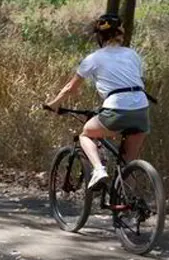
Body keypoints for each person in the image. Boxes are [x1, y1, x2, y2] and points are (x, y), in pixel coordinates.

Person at [44, 13, 151, 189]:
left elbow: (70, 88)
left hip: (117, 108)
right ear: (120, 34)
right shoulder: (133, 55)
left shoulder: (94, 58)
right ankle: (129, 204)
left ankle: (99, 170)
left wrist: (53, 104)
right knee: (128, 161)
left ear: (100, 37)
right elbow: (136, 80)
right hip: (141, 109)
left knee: (85, 134)